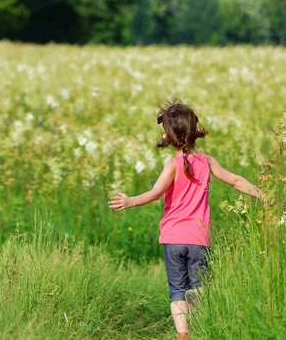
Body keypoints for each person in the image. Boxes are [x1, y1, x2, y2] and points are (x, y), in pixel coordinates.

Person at [108, 100, 261, 339]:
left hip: (174, 238)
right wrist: (260, 193)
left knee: (177, 289)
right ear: (195, 132)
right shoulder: (208, 162)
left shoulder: (172, 166)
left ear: (167, 136)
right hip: (199, 238)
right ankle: (199, 299)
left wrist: (129, 201)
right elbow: (235, 180)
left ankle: (184, 333)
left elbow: (154, 193)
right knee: (199, 283)